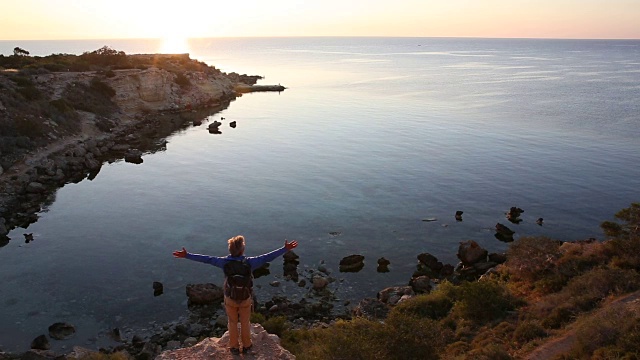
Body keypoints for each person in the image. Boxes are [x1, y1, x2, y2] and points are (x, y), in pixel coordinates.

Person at [172, 235, 298, 355]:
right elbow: (267, 257)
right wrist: (285, 249)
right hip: (245, 298)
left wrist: (187, 255)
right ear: (242, 249)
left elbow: (207, 259)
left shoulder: (224, 262)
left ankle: (234, 347)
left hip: (230, 297)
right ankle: (247, 346)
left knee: (232, 322)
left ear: (230, 250)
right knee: (245, 322)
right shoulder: (249, 262)